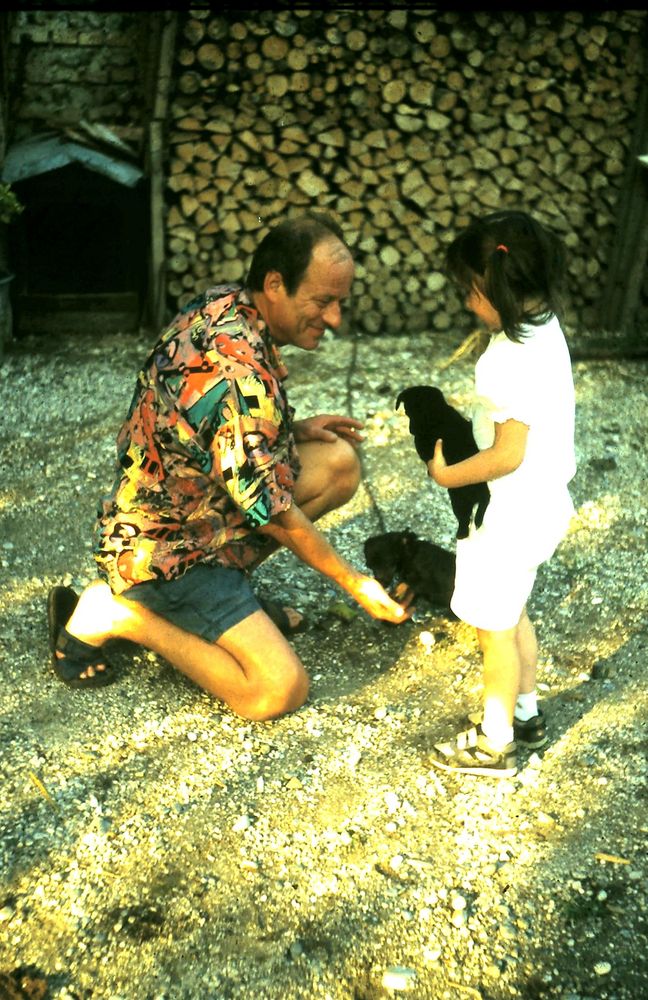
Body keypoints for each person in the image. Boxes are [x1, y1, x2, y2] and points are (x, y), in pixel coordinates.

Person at [47, 212, 411, 719]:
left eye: (339, 303)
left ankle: (222, 605)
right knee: (277, 691)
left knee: (337, 464)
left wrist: (291, 427)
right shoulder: (240, 378)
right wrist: (353, 581)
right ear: (275, 283)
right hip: (167, 550)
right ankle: (121, 614)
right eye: (323, 301)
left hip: (185, 508)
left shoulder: (225, 304)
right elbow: (275, 512)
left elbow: (210, 421)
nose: (334, 320)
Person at [424, 209, 576, 777]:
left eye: (471, 292)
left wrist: (447, 475)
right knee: (513, 614)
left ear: (497, 290)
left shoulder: (503, 361)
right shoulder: (546, 330)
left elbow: (507, 454)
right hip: (545, 503)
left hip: (511, 511)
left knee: (494, 630)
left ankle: (495, 739)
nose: (466, 303)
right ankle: (528, 714)